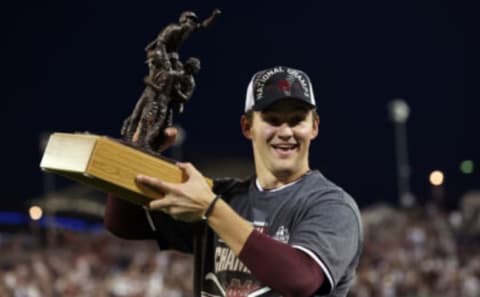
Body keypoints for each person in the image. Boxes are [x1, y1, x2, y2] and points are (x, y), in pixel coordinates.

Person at [105, 66, 363, 297]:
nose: (285, 132)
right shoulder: (225, 195)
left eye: (297, 120)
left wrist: (211, 209)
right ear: (247, 127)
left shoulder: (332, 206)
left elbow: (300, 280)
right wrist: (138, 150)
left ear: (314, 127)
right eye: (272, 120)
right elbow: (125, 224)